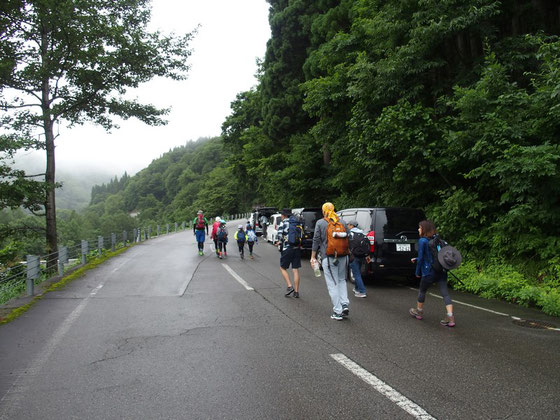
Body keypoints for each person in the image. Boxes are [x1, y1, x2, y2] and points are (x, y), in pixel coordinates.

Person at [409, 220, 456, 327]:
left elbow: (422, 258)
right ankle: (450, 317)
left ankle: (419, 311)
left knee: (422, 290)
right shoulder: (436, 239)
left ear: (424, 230)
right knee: (445, 293)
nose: (418, 229)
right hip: (441, 270)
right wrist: (416, 258)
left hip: (428, 272)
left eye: (420, 228)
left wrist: (417, 272)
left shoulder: (422, 241)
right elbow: (434, 255)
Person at [310, 202, 350, 320]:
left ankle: (337, 311)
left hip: (329, 257)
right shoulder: (341, 222)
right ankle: (344, 304)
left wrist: (313, 256)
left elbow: (316, 239)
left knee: (333, 283)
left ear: (323, 211)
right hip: (344, 256)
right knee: (342, 280)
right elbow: (348, 236)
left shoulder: (321, 222)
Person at [275, 208, 302, 298]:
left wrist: (279, 242)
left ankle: (290, 286)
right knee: (295, 269)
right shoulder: (297, 222)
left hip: (287, 248)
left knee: (283, 268)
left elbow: (279, 236)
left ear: (284, 215)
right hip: (297, 248)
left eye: (281, 215)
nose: (281, 216)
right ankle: (297, 292)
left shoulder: (283, 223)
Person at [347, 220, 368, 298]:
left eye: (349, 225)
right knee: (358, 273)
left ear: (352, 226)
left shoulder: (350, 234)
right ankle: (356, 288)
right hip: (362, 256)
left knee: (356, 274)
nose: (348, 226)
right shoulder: (363, 233)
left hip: (353, 256)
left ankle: (362, 291)